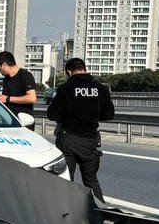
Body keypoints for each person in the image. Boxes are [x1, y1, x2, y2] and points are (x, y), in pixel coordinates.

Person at [47, 57, 114, 201]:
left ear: (69, 72)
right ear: (85, 70)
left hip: (69, 138)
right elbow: (109, 114)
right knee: (90, 179)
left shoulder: (65, 89)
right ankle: (100, 214)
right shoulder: (100, 88)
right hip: (90, 139)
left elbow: (52, 114)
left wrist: (67, 116)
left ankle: (65, 213)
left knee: (65, 179)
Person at [0, 51, 36, 125]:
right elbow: (5, 99)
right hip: (9, 122)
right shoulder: (6, 78)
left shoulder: (25, 75)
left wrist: (7, 99)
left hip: (24, 123)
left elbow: (32, 98)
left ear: (4, 65)